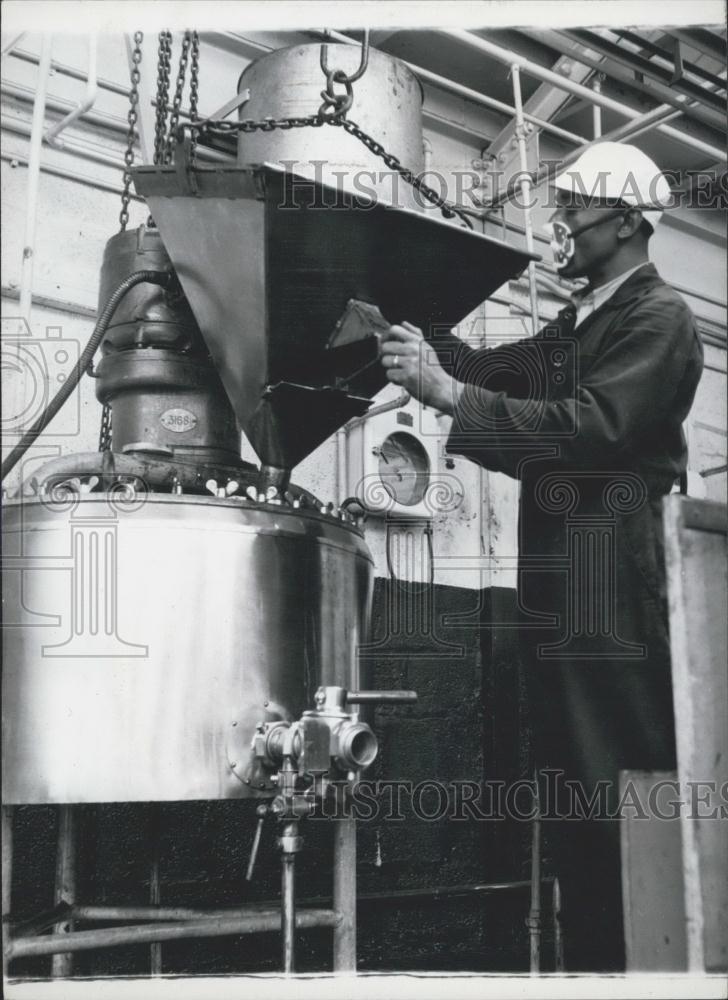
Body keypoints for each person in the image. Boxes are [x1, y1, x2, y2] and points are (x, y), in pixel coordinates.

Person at [378, 142, 704, 971]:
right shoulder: (582, 322)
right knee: (575, 803)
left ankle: (657, 967)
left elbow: (595, 429)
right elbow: (507, 377)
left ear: (626, 221)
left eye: (573, 208)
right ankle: (600, 967)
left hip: (614, 584)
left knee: (622, 793)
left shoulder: (657, 319)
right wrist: (425, 341)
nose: (559, 224)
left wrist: (450, 394)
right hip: (562, 586)